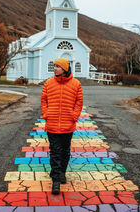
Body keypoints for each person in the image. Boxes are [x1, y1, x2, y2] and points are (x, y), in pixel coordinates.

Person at [41, 57, 83, 195]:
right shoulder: (48, 83)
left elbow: (79, 102)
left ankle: (62, 173)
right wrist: (46, 113)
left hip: (67, 124)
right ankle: (56, 181)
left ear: (65, 69)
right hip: (52, 124)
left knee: (65, 151)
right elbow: (43, 100)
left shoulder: (76, 84)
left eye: (58, 67)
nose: (55, 69)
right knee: (55, 152)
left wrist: (74, 116)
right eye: (54, 66)